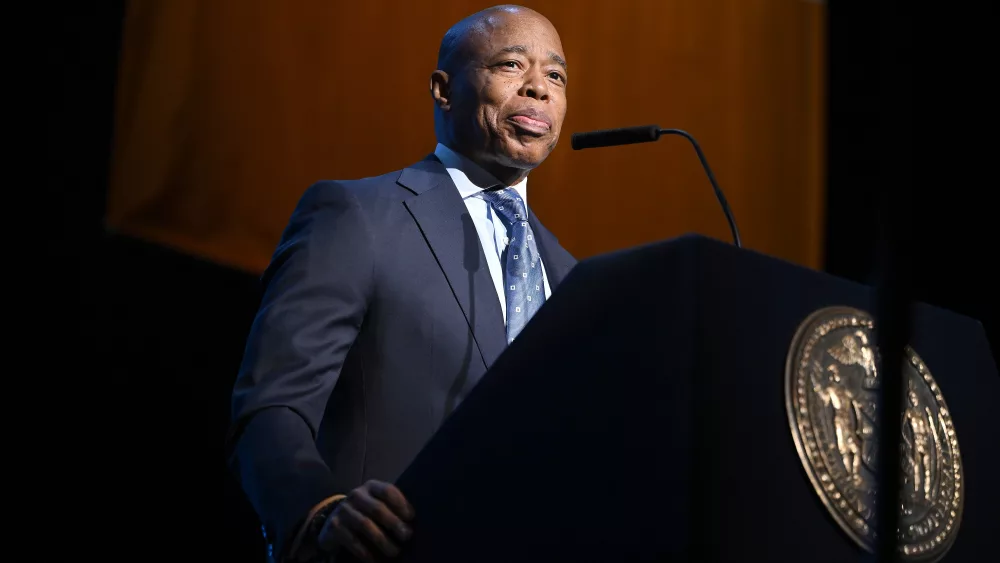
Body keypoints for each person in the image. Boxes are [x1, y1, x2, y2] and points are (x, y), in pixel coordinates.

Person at [226, 5, 576, 562]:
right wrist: (318, 512)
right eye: (512, 66)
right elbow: (272, 406)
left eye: (555, 76)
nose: (538, 89)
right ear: (444, 90)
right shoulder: (356, 215)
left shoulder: (570, 276)